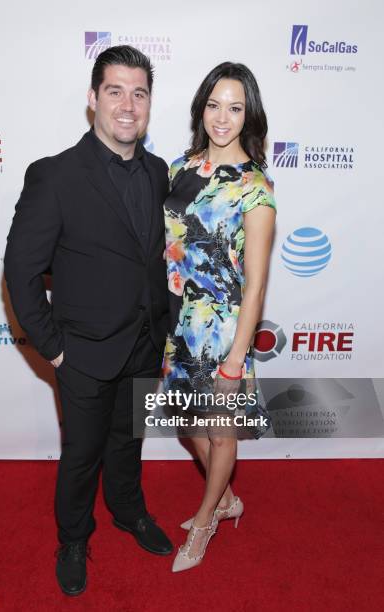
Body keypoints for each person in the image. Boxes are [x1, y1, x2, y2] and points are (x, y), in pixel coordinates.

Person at [4, 45, 173, 597]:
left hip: (145, 344)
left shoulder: (158, 170)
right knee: (81, 455)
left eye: (139, 93)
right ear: (93, 99)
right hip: (82, 352)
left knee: (129, 442)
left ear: (149, 104)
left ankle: (128, 510)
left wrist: (165, 330)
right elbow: (21, 271)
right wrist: (53, 349)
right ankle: (74, 535)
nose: (128, 104)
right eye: (115, 91)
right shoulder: (54, 176)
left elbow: (153, 260)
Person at [162, 62, 276, 572]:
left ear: (248, 114)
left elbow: (255, 285)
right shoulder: (178, 169)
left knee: (220, 433)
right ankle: (227, 498)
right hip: (178, 323)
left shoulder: (256, 189)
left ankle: (208, 519)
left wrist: (235, 359)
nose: (222, 117)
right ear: (200, 108)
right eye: (213, 105)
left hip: (224, 328)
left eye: (234, 107)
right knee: (187, 425)